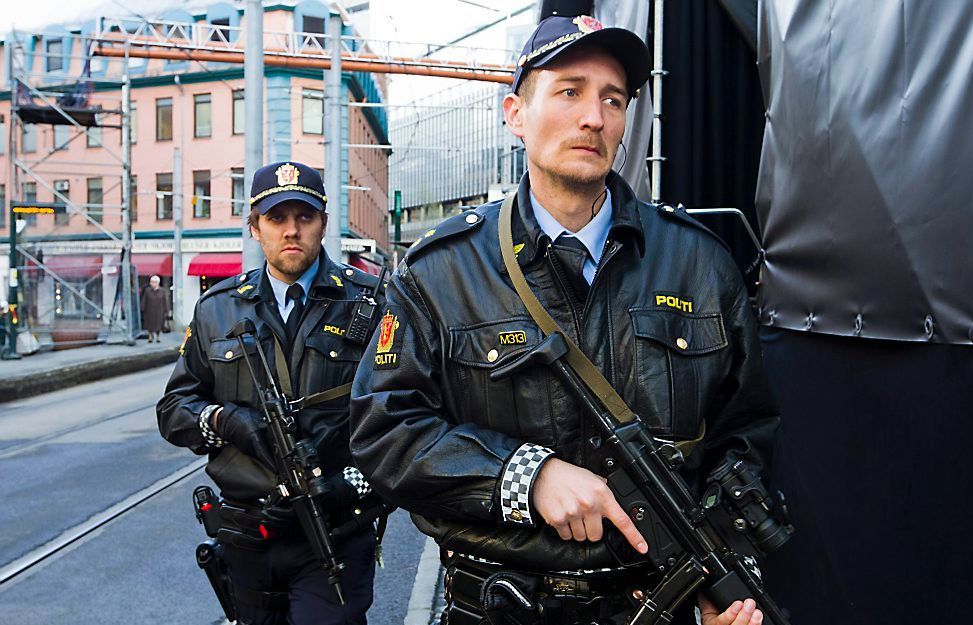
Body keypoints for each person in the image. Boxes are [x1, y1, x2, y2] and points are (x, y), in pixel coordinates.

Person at [351, 15, 780, 625]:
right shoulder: (442, 272)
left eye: (613, 99)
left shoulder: (700, 263)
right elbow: (384, 430)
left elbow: (747, 434)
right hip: (500, 605)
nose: (594, 118)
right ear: (515, 114)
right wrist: (524, 475)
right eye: (569, 91)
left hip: (655, 603)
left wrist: (722, 584)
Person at [157, 161, 384, 625]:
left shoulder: (368, 303)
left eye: (305, 217)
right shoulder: (217, 309)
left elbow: (402, 414)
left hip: (334, 527)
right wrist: (224, 422)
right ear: (255, 228)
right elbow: (174, 410)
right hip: (248, 533)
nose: (291, 231)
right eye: (277, 219)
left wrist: (349, 487)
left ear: (323, 222)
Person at [141, 274, 170, 342]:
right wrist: (142, 308)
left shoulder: (162, 291)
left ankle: (158, 337)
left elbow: (165, 301)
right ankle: (150, 336)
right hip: (149, 310)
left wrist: (167, 310)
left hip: (160, 310)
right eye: (152, 282)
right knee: (149, 324)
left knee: (159, 324)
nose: (153, 283)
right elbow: (144, 299)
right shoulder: (147, 290)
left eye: (155, 282)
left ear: (158, 283)